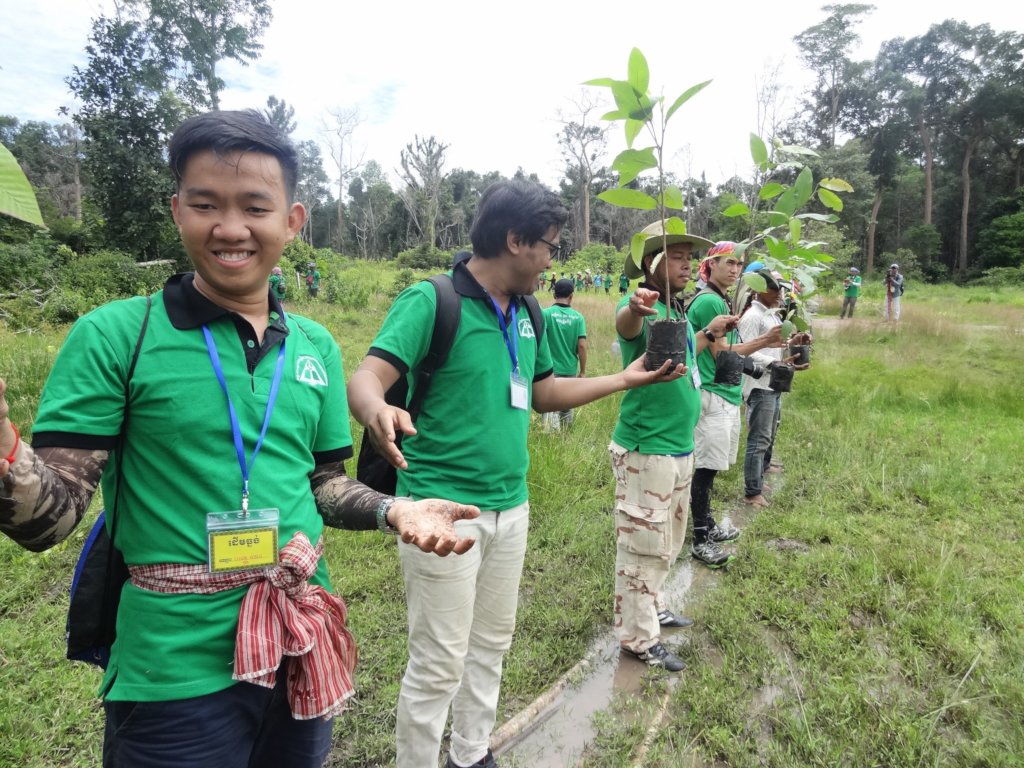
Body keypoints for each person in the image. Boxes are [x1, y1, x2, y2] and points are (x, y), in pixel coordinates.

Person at [0, 109, 479, 768]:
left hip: (299, 643)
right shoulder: (117, 336)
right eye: (205, 205)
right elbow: (45, 519)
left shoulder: (312, 344)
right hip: (174, 675)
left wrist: (392, 508)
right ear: (177, 210)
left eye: (255, 206)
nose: (230, 229)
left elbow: (322, 482)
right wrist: (4, 451)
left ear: (292, 221)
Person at [345, 179, 686, 768]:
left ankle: (472, 753)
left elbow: (545, 392)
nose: (552, 260)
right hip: (440, 512)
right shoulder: (433, 299)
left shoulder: (528, 310)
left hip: (512, 507)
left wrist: (627, 379)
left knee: (491, 644)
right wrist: (375, 408)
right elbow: (366, 377)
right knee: (438, 659)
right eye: (548, 246)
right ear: (514, 240)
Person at [610, 220, 734, 672]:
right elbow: (626, 325)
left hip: (679, 448)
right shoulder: (643, 306)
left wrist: (710, 332)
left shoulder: (676, 309)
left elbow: (688, 355)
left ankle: (654, 608)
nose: (687, 264)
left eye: (688, 257)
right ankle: (638, 639)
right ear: (651, 263)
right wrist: (637, 307)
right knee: (643, 545)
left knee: (667, 542)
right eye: (677, 256)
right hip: (648, 450)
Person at [686, 242, 784, 568]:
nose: (734, 269)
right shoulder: (710, 301)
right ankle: (701, 537)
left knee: (711, 468)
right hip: (712, 395)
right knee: (704, 469)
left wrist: (759, 365)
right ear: (710, 264)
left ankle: (709, 525)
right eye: (728, 262)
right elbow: (723, 355)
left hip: (725, 395)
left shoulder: (720, 297)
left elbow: (730, 352)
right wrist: (765, 344)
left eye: (739, 264)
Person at [736, 269, 810, 508]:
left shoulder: (772, 315)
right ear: (760, 290)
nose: (780, 294)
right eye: (775, 289)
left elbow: (772, 344)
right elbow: (745, 350)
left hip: (772, 383)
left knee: (769, 433)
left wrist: (792, 344)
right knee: (758, 439)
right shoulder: (752, 317)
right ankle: (752, 491)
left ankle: (760, 475)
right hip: (759, 386)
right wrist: (772, 363)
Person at [541, 278, 587, 431]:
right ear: (571, 296)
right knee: (566, 408)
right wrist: (582, 371)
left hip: (549, 371)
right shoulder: (578, 317)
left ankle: (549, 438)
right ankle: (565, 438)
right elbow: (581, 346)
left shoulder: (545, 314)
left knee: (549, 408)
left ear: (554, 294)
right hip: (569, 370)